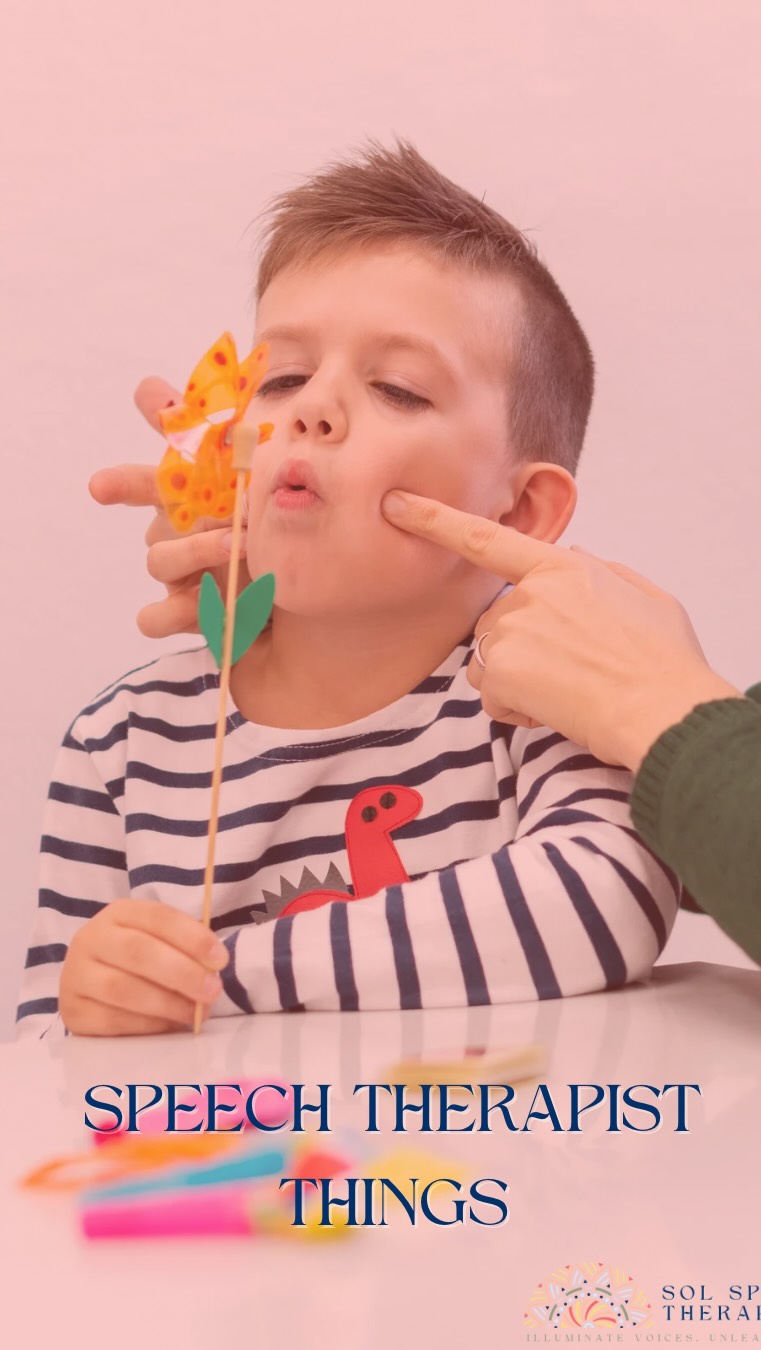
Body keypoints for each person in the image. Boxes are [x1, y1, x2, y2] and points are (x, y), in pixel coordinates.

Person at [16, 142, 679, 1039]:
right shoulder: (122, 743)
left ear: (520, 509)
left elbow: (605, 900)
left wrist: (214, 980)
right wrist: (88, 1003)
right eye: (279, 377)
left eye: (398, 388)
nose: (307, 408)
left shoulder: (545, 696)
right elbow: (39, 1067)